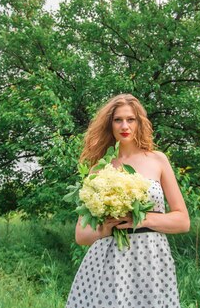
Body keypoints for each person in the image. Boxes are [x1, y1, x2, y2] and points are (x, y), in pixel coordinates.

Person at [65, 93, 190, 308]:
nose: (125, 125)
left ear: (139, 123)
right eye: (118, 120)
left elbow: (183, 221)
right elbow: (81, 235)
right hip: (108, 261)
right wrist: (105, 230)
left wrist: (142, 220)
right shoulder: (99, 168)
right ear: (110, 125)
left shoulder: (158, 160)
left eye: (130, 119)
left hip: (151, 259)